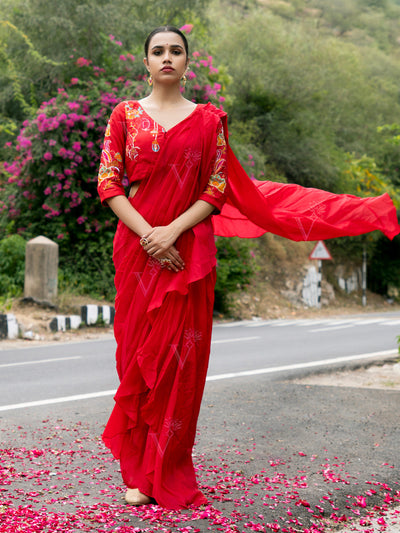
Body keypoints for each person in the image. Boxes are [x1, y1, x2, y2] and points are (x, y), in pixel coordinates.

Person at [97, 26, 399, 510]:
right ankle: (137, 473)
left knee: (181, 365)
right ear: (146, 63)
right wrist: (150, 237)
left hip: (186, 254)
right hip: (137, 252)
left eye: (176, 50)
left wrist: (170, 232)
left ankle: (168, 470)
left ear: (187, 61)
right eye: (158, 51)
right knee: (138, 360)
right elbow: (109, 184)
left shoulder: (207, 121)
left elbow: (214, 191)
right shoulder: (125, 116)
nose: (167, 57)